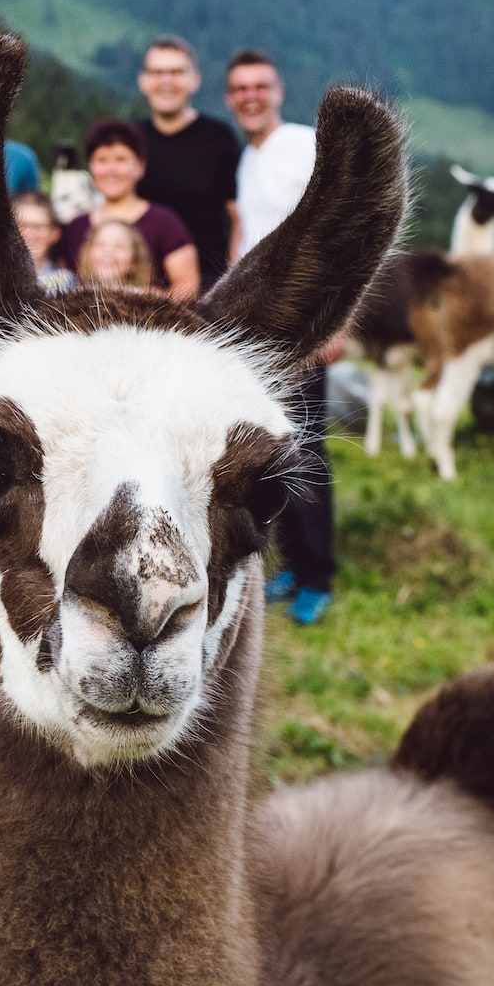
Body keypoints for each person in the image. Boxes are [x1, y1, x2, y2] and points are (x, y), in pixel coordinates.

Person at [225, 49, 341, 626]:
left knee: (308, 452)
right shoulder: (249, 158)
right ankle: (293, 564)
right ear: (229, 98)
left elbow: (336, 228)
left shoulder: (302, 145)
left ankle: (319, 575)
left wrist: (338, 319)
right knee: (274, 447)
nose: (250, 96)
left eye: (260, 86)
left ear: (278, 90)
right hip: (257, 327)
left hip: (304, 323)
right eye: (240, 88)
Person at [136, 36, 241, 289]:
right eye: (157, 72)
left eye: (176, 72)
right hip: (140, 284)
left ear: (195, 80)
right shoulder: (131, 140)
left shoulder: (219, 137)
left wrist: (233, 281)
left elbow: (236, 216)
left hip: (208, 285)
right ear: (144, 81)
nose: (166, 81)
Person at [58, 119, 200, 302]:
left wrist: (144, 302)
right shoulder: (76, 226)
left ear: (140, 167)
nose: (111, 169)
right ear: (91, 167)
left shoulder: (164, 221)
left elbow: (188, 287)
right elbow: (65, 284)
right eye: (101, 160)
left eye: (121, 159)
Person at [12, 191, 76, 294]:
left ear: (55, 233)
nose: (29, 234)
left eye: (38, 227)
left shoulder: (66, 282)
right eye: (22, 225)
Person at [77, 219, 154, 291]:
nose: (108, 251)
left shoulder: (144, 302)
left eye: (119, 246)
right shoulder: (72, 298)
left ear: (134, 261)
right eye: (100, 244)